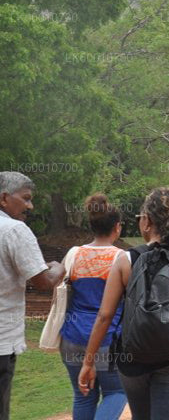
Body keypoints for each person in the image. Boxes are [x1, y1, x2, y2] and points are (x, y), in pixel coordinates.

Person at [79, 186, 169, 420]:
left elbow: (104, 316)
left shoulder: (126, 260)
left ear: (146, 221)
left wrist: (88, 361)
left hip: (133, 356)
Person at [0, 171, 66, 420]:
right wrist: (58, 266)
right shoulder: (15, 230)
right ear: (5, 198)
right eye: (26, 198)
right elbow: (44, 281)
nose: (30, 205)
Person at [58, 194, 126, 420]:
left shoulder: (74, 253)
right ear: (117, 227)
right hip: (108, 339)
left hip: (72, 337)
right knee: (116, 392)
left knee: (83, 394)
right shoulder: (122, 258)